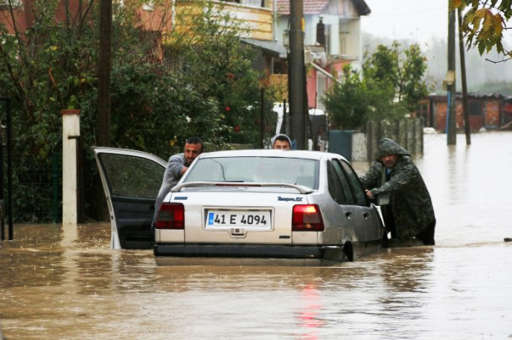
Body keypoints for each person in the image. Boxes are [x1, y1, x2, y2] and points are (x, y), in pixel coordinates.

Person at [359, 137, 436, 246]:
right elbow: (366, 180)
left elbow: (394, 184)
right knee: (397, 254)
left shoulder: (407, 166)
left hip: (420, 219)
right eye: (384, 156)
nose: (387, 159)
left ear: (397, 154)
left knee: (423, 252)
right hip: (397, 220)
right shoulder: (379, 166)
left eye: (390, 155)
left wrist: (374, 192)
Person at [152, 136, 203, 224]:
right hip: (166, 209)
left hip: (189, 210)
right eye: (187, 151)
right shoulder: (175, 160)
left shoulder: (202, 162)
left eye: (194, 152)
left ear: (201, 153)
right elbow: (187, 172)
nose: (190, 155)